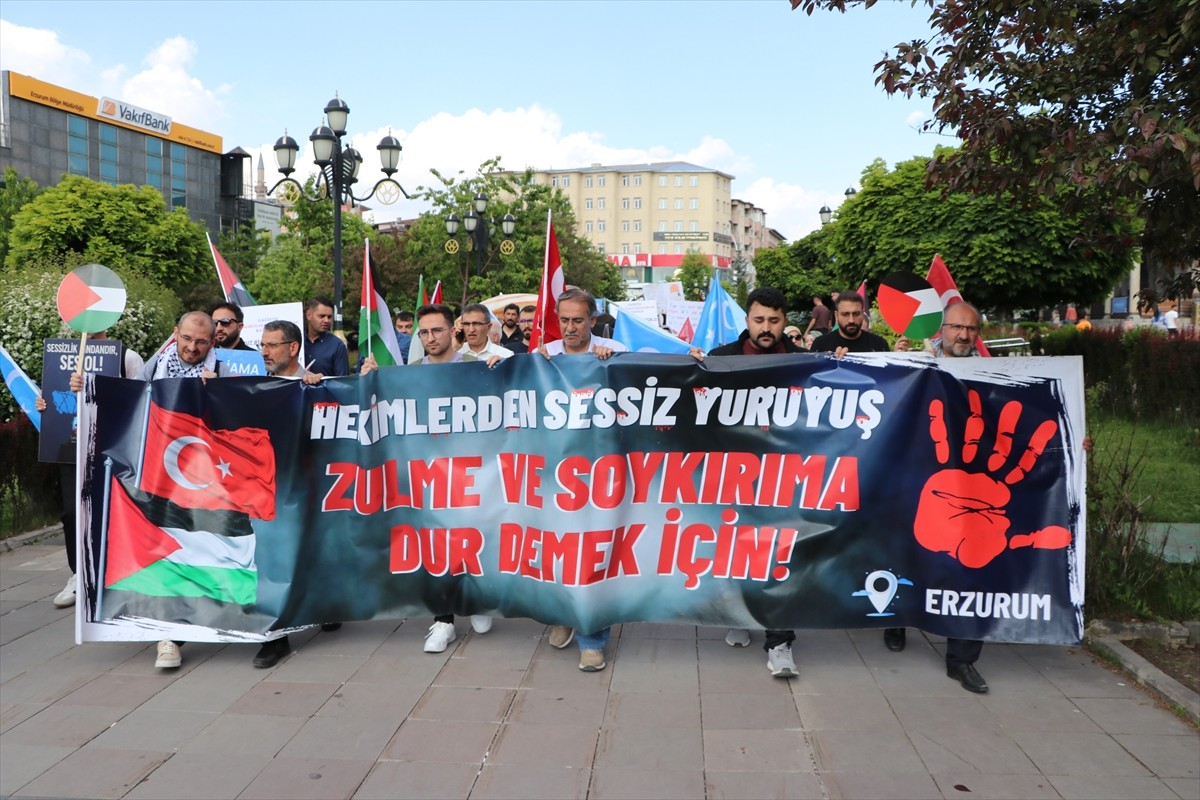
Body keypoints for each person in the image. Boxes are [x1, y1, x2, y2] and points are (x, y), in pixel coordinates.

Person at [70, 312, 230, 670]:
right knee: (166, 552)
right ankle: (168, 636)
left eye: (201, 342)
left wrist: (221, 393)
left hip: (204, 484)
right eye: (187, 338)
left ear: (213, 342)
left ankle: (191, 625)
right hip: (156, 478)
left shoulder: (227, 371)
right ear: (175, 333)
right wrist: (87, 387)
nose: (192, 347)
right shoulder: (154, 367)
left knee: (196, 551)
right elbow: (123, 400)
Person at [363, 303, 496, 652]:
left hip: (471, 471)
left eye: (437, 330)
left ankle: (477, 601)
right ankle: (443, 620)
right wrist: (370, 380)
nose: (430, 337)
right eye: (423, 332)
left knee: (471, 540)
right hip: (428, 475)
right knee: (435, 545)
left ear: (454, 331)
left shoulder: (475, 367)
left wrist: (500, 372)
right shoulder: (409, 373)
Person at [689, 286, 804, 678]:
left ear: (785, 321)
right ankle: (741, 616)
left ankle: (780, 642)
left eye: (774, 320)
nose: (766, 328)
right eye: (759, 320)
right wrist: (688, 370)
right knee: (738, 552)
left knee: (779, 557)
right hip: (734, 476)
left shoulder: (807, 361)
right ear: (747, 320)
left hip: (786, 477)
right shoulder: (722, 359)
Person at [887, 301, 991, 692]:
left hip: (968, 487)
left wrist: (1073, 440)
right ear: (941, 329)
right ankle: (895, 621)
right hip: (914, 479)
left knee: (969, 569)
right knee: (905, 555)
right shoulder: (914, 367)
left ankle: (962, 659)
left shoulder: (996, 373)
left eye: (971, 329)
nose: (963, 335)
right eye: (956, 328)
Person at [539, 287, 627, 671]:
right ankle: (560, 614)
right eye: (565, 320)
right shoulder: (544, 356)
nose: (571, 327)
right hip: (554, 472)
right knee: (555, 548)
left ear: (593, 320)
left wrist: (615, 364)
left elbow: (656, 379)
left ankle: (593, 636)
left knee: (595, 552)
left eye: (579, 320)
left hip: (601, 472)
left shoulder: (614, 350)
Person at [38, 329, 144, 609]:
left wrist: (97, 387)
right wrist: (43, 406)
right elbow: (50, 398)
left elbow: (141, 399)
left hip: (112, 448)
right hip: (71, 449)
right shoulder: (60, 355)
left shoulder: (127, 358)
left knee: (113, 511)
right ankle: (79, 574)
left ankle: (117, 575)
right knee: (73, 513)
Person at [250, 320, 331, 667]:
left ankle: (326, 606)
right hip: (268, 487)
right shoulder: (251, 387)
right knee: (272, 556)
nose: (265, 352)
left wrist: (318, 390)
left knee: (317, 548)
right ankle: (276, 634)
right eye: (262, 345)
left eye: (272, 345)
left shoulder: (317, 383)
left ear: (293, 347)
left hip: (312, 484)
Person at [810, 291, 890, 356]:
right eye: (845, 314)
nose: (851, 320)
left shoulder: (879, 345)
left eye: (856, 314)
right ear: (836, 315)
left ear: (862, 314)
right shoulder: (820, 345)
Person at [303, 296, 349, 377]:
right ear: (308, 315)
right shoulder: (295, 341)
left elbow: (342, 382)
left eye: (329, 317)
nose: (326, 320)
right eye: (321, 316)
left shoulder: (337, 346)